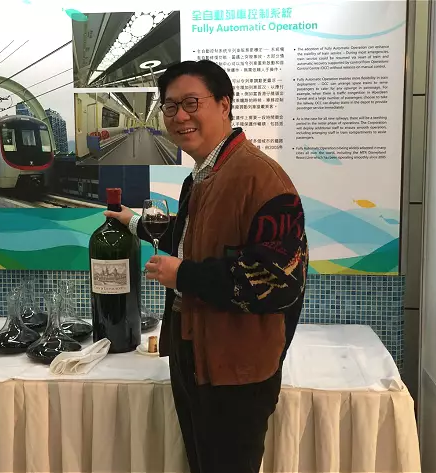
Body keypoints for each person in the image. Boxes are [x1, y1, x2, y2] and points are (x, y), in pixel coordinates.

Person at [104, 59, 308, 473]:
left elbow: (278, 283)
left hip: (236, 371)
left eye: (191, 103)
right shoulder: (203, 175)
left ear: (224, 104)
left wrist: (183, 275)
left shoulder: (261, 178)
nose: (180, 116)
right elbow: (191, 238)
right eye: (170, 106)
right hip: (195, 355)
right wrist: (133, 222)